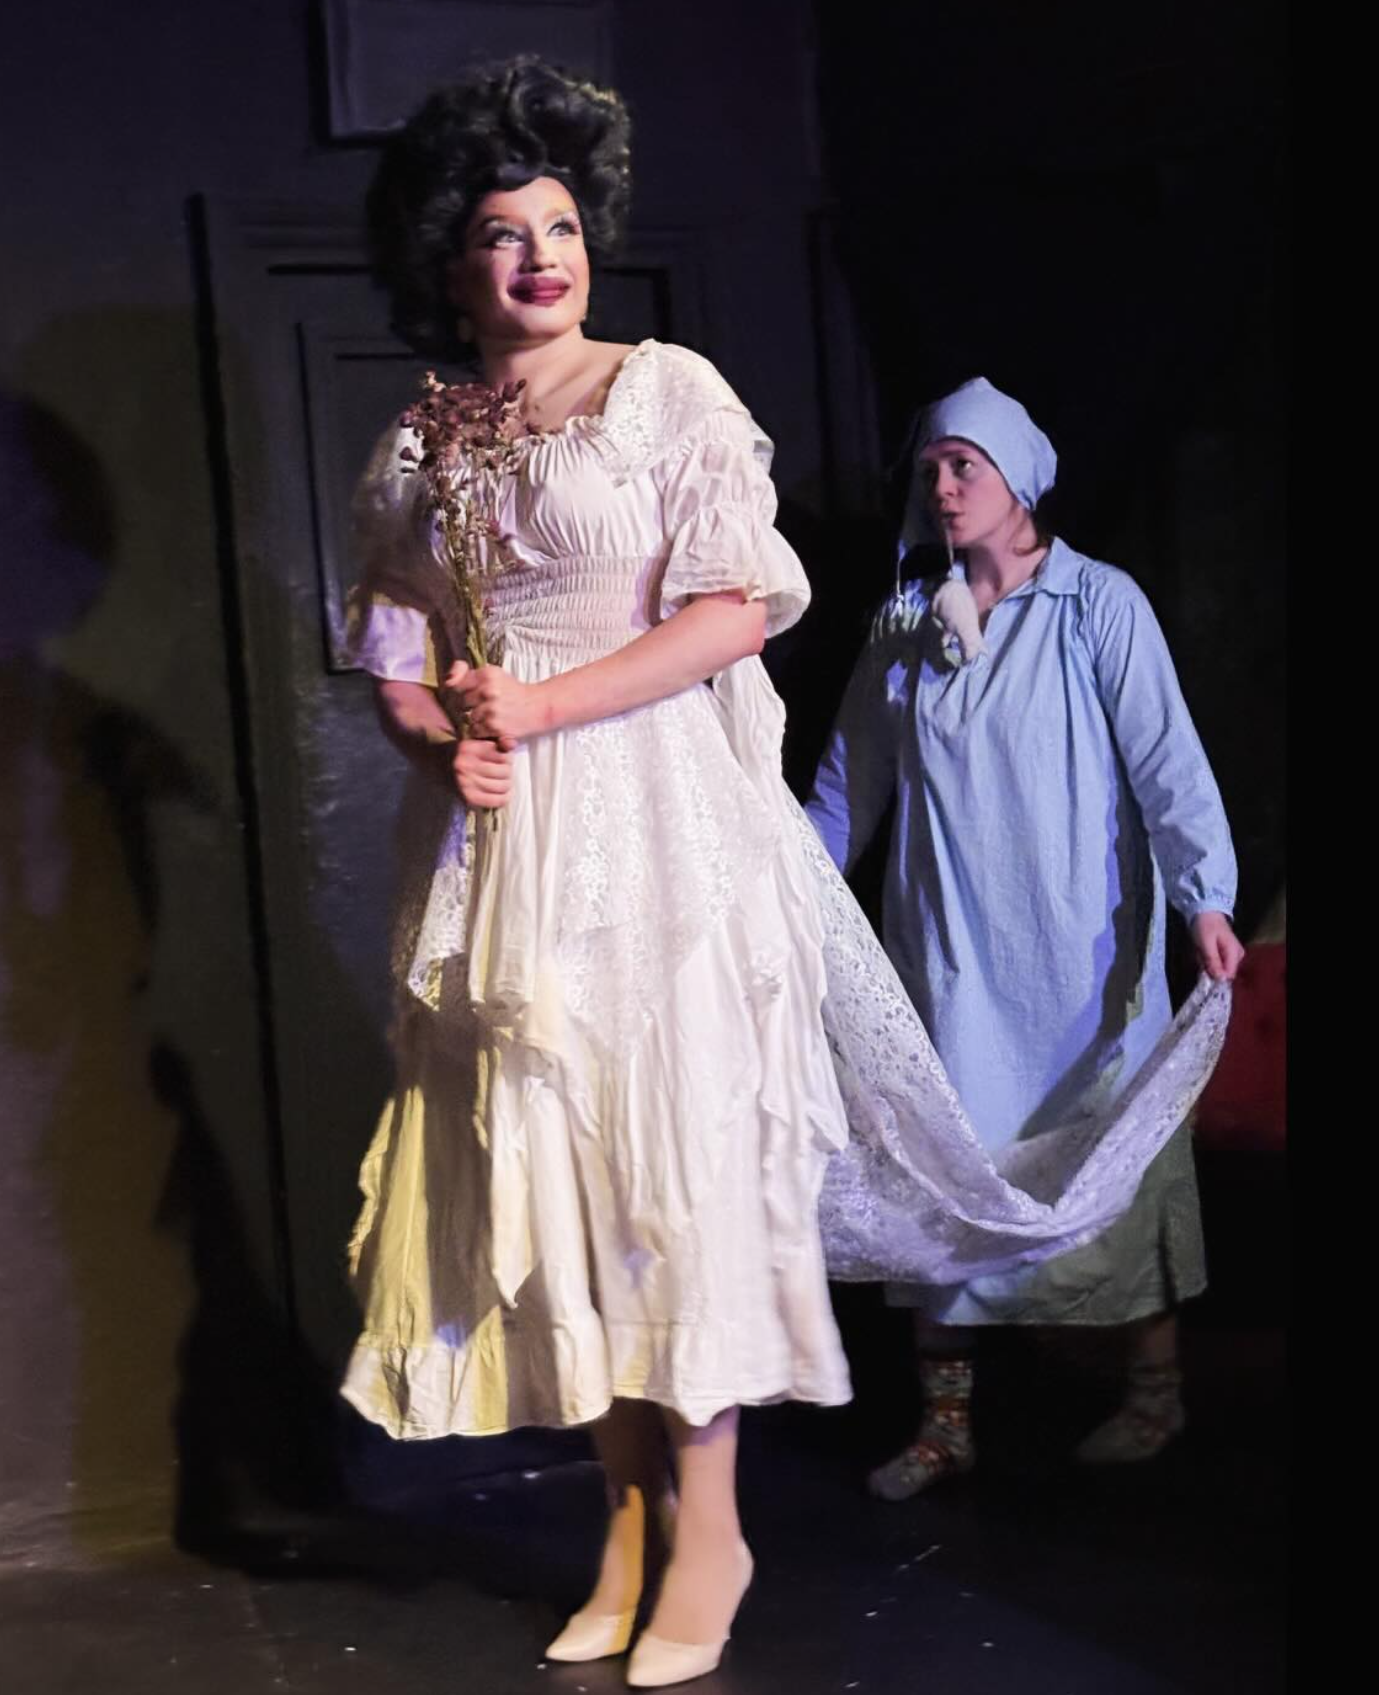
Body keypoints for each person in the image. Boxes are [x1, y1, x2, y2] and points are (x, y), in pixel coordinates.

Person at [340, 57, 855, 1687]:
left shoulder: (664, 392)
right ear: (449, 264)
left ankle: (711, 1530)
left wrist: (547, 706)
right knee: (549, 1176)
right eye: (502, 234)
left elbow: (733, 608)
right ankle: (624, 1521)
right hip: (508, 848)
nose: (538, 258)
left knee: (663, 1170)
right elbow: (395, 653)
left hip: (654, 824)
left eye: (558, 226)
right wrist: (445, 743)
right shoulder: (422, 436)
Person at [805, 377, 1245, 1500]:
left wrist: (1205, 899)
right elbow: (847, 790)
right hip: (953, 962)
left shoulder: (1097, 605)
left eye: (966, 465)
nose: (944, 486)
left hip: (1080, 961)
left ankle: (1153, 1395)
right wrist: (779, 898)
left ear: (1019, 479)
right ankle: (946, 1422)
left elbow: (1167, 763)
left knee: (1108, 1164)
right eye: (931, 469)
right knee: (944, 1181)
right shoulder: (905, 625)